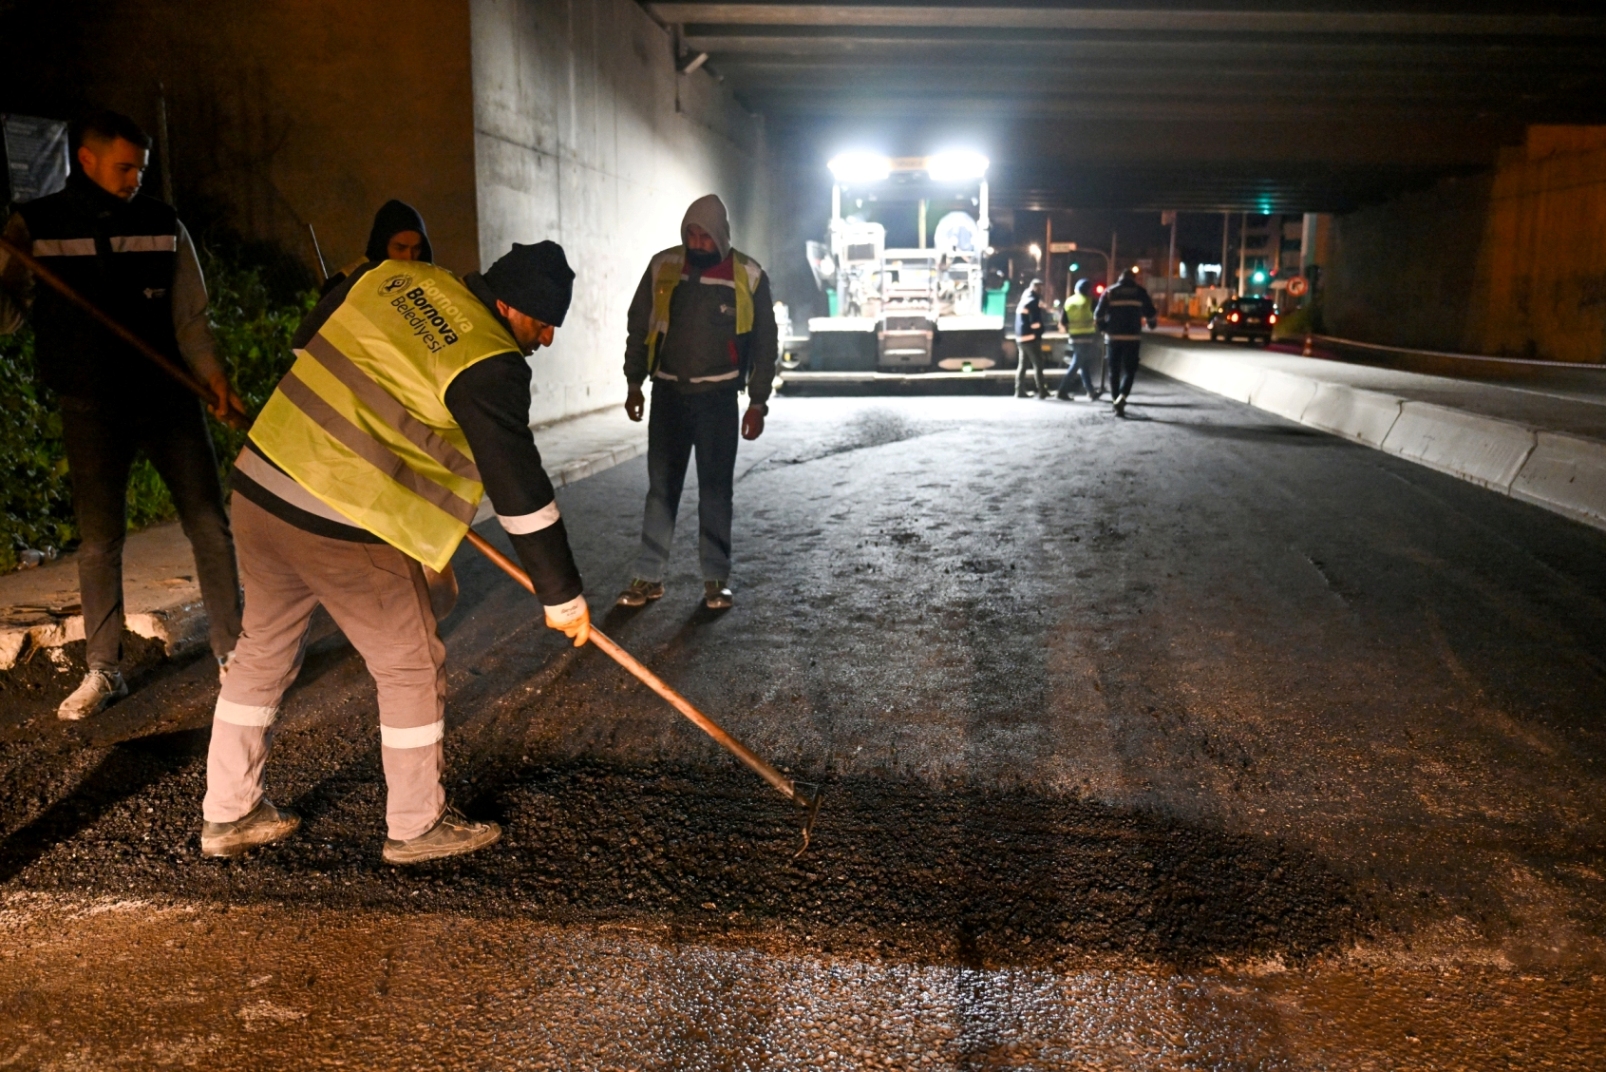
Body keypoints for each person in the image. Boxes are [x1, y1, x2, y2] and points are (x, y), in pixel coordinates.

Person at [201, 240, 589, 864]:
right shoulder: (489, 361)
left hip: (261, 485)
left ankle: (229, 811)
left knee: (261, 651)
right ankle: (416, 825)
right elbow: (518, 483)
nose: (544, 340)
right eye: (544, 324)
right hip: (340, 516)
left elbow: (307, 342)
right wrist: (562, 595)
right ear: (511, 306)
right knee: (410, 663)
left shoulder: (394, 279)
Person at [0, 110, 244, 721]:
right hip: (89, 405)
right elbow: (8, 318)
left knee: (209, 525)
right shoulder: (37, 227)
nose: (136, 177)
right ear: (86, 160)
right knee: (99, 542)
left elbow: (190, 317)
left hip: (168, 398)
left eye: (141, 167)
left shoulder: (164, 226)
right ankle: (104, 670)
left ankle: (235, 655)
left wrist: (213, 377)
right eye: (124, 166)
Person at [617, 194, 776, 611]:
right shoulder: (663, 267)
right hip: (668, 396)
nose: (697, 241)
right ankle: (647, 577)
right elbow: (639, 326)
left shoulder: (748, 275)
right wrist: (634, 382)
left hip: (718, 400)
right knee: (661, 491)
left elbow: (765, 343)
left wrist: (758, 402)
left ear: (721, 235)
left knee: (715, 492)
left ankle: (715, 580)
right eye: (691, 233)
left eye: (705, 234)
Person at [320, 199, 432, 295]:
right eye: (400, 248)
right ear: (381, 245)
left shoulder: (431, 286)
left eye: (416, 248)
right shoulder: (344, 284)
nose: (409, 257)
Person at [1095, 268, 1157, 417]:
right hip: (1132, 338)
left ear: (1119, 278)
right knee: (1130, 370)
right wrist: (1151, 323)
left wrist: (1104, 328)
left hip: (1113, 337)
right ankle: (1122, 396)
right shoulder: (1139, 292)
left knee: (1113, 370)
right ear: (1133, 279)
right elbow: (1151, 312)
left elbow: (1098, 314)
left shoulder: (1110, 292)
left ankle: (1115, 399)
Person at [1056, 277, 1102, 401]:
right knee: (1077, 363)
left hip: (1073, 336)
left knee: (1083, 363)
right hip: (1087, 336)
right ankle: (1062, 390)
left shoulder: (1069, 301)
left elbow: (1063, 321)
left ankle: (1091, 391)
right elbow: (1100, 316)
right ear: (1088, 290)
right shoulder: (1090, 301)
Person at [1013, 277, 1047, 399]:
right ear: (1034, 288)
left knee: (1022, 365)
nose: (1041, 290)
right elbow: (1035, 322)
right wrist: (1039, 332)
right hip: (1031, 338)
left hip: (1021, 338)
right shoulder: (1033, 301)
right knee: (1038, 364)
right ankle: (1042, 391)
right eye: (1039, 288)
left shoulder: (1024, 300)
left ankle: (1019, 391)